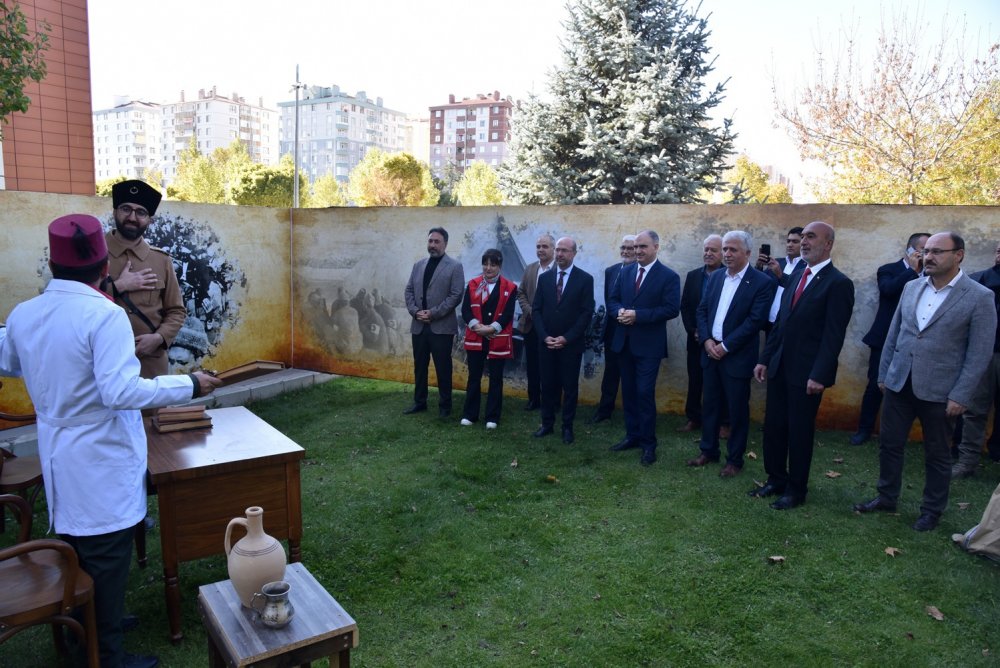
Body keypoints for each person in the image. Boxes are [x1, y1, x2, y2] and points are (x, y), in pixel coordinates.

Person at [0, 214, 222, 668]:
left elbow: (9, 360)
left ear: (53, 264)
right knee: (106, 552)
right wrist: (189, 385)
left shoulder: (25, 314)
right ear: (104, 265)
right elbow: (121, 391)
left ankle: (103, 620)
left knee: (79, 548)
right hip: (100, 455)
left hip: (60, 450)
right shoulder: (105, 316)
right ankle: (106, 654)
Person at [854, 232, 995, 530]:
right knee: (890, 445)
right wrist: (884, 374)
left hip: (942, 391)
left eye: (937, 252)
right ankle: (886, 496)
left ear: (959, 255)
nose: (928, 257)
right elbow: (896, 333)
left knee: (938, 453)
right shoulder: (911, 287)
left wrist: (961, 395)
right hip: (899, 383)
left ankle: (931, 510)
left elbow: (979, 353)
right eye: (926, 251)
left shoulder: (980, 296)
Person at [752, 221, 854, 509]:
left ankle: (796, 490)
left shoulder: (838, 283)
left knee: (799, 432)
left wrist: (820, 374)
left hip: (807, 375)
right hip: (779, 366)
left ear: (828, 244)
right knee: (774, 426)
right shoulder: (795, 276)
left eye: (811, 237)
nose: (804, 242)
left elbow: (834, 336)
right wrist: (764, 359)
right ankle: (775, 479)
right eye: (803, 237)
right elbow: (781, 324)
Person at [688, 231, 775, 477]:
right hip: (710, 352)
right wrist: (706, 341)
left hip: (735, 357)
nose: (727, 254)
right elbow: (702, 310)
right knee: (710, 405)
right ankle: (708, 450)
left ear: (747, 253)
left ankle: (734, 460)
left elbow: (755, 321)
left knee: (736, 411)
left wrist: (725, 347)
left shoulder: (761, 282)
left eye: (732, 250)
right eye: (725, 249)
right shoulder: (715, 278)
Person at [608, 230, 681, 466]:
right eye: (635, 246)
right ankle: (632, 436)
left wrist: (638, 316)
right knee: (628, 392)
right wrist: (619, 311)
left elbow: (671, 309)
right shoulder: (626, 271)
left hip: (649, 347)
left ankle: (649, 444)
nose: (637, 250)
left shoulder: (668, 276)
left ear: (656, 247)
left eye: (643, 246)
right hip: (624, 343)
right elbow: (613, 299)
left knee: (644, 393)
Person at [850, 232, 930, 445]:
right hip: (885, 338)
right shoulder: (888, 270)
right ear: (911, 251)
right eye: (924, 249)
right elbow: (888, 291)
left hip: (917, 341)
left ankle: (902, 434)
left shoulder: (932, 276)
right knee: (876, 385)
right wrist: (912, 271)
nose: (928, 255)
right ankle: (864, 430)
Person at [104, 180, 186, 378]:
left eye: (141, 212)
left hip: (149, 365)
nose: (132, 217)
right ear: (115, 212)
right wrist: (119, 286)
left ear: (149, 220)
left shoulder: (161, 260)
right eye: (126, 209)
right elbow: (77, 302)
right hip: (104, 360)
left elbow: (176, 311)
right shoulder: (94, 253)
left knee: (151, 411)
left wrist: (159, 338)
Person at [531, 236, 595, 444]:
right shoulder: (545, 278)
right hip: (547, 343)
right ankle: (547, 424)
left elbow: (586, 314)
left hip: (570, 345)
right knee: (547, 385)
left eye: (564, 250)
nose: (559, 254)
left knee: (569, 388)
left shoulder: (585, 280)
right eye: (558, 250)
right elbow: (537, 310)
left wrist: (566, 338)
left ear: (574, 253)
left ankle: (567, 427)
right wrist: (544, 336)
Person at [403, 227, 465, 417]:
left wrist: (433, 313)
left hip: (441, 327)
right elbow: (409, 292)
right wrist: (415, 312)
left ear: (445, 243)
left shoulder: (455, 266)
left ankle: (445, 407)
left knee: (443, 368)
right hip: (419, 326)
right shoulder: (418, 265)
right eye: (430, 241)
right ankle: (419, 402)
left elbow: (456, 295)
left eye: (437, 242)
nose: (432, 245)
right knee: (420, 366)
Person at [952, 241, 1000, 473]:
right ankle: (967, 461)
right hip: (985, 355)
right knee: (975, 410)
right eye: (999, 249)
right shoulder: (978, 280)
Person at [460, 249, 517, 429]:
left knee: (496, 379)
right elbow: (465, 311)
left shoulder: (510, 287)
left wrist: (492, 328)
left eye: (493, 264)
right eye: (485, 264)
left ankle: (492, 417)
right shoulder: (472, 284)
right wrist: (478, 327)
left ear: (499, 266)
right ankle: (470, 414)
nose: (488, 268)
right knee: (474, 377)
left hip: (497, 337)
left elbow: (508, 314)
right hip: (476, 337)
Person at [678, 235, 722, 432]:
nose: (708, 253)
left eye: (713, 250)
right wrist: (693, 331)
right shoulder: (694, 276)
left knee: (721, 383)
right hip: (695, 339)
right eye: (706, 249)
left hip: (719, 342)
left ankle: (724, 422)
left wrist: (711, 337)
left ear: (722, 253)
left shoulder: (728, 275)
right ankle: (694, 418)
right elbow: (686, 306)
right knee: (695, 380)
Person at [591, 234, 637, 423]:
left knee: (631, 376)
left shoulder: (640, 272)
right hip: (611, 332)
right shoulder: (611, 270)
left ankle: (632, 415)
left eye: (630, 248)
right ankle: (604, 411)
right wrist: (617, 313)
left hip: (632, 333)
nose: (625, 251)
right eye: (623, 248)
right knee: (610, 374)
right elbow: (609, 300)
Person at [516, 234, 555, 411]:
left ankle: (552, 401)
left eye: (545, 246)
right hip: (531, 325)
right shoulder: (530, 269)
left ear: (553, 249)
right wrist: (530, 311)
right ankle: (533, 399)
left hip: (552, 327)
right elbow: (521, 293)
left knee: (552, 366)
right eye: (538, 246)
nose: (541, 250)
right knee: (533, 364)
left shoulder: (559, 271)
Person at [759, 226, 804, 326]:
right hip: (769, 321)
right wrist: (759, 266)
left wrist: (780, 274)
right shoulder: (778, 262)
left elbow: (798, 290)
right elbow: (759, 283)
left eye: (795, 242)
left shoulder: (806, 267)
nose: (790, 245)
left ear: (804, 243)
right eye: (788, 241)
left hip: (789, 324)